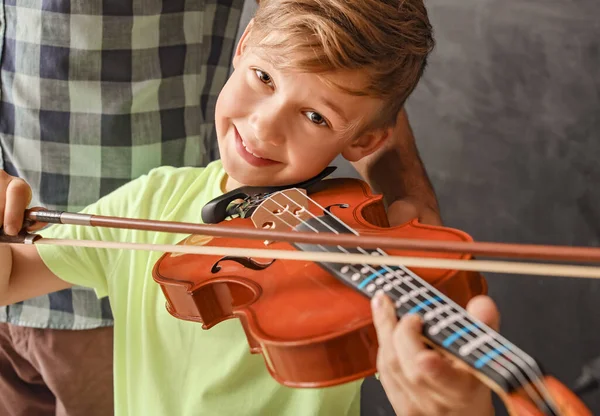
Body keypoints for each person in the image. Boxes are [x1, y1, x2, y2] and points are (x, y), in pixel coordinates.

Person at [0, 0, 492, 414]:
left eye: (316, 116)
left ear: (365, 140)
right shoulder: (152, 198)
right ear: (244, 45)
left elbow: (430, 385)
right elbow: (11, 279)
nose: (265, 127)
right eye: (264, 77)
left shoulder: (359, 248)